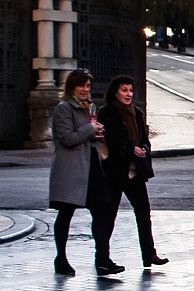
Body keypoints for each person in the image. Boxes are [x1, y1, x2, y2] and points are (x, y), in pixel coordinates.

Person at [48, 69, 122, 277]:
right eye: (81, 85)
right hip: (71, 169)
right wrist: (90, 129)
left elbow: (88, 133)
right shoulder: (64, 109)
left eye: (88, 86)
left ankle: (103, 259)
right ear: (72, 87)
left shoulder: (89, 107)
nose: (85, 89)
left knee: (101, 211)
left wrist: (98, 131)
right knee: (66, 213)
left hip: (91, 166)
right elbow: (67, 139)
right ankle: (61, 258)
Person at [99, 76, 168, 270]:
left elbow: (144, 138)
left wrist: (144, 148)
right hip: (114, 171)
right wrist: (130, 149)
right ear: (115, 92)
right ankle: (102, 259)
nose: (128, 94)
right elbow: (109, 141)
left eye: (130, 90)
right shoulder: (107, 113)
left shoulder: (136, 113)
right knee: (109, 216)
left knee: (143, 212)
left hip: (134, 171)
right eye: (124, 90)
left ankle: (149, 254)